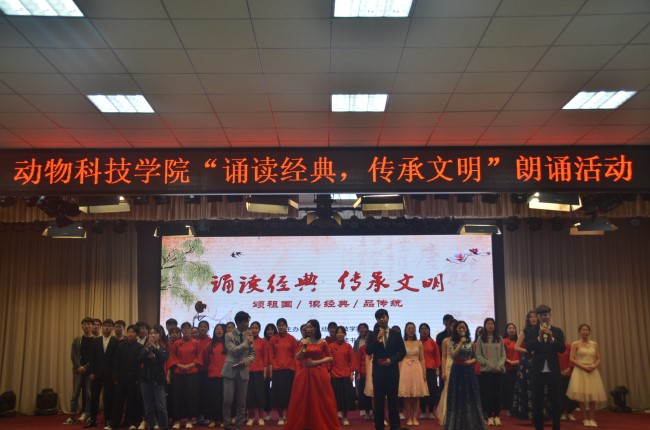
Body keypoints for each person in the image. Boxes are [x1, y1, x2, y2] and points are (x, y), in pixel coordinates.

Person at [285, 319, 340, 430]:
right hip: (304, 374)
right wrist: (304, 346)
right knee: (302, 399)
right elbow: (298, 357)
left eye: (310, 327)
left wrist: (316, 362)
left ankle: (319, 423)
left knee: (321, 399)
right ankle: (304, 423)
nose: (308, 329)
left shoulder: (322, 342)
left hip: (319, 373)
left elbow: (330, 357)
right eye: (307, 327)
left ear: (316, 328)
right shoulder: (303, 341)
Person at [525, 304, 565, 430]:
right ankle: (538, 427)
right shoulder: (532, 331)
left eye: (546, 315)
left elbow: (562, 349)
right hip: (537, 370)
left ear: (550, 315)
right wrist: (539, 338)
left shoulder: (557, 331)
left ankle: (556, 427)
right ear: (538, 317)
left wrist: (552, 338)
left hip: (553, 370)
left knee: (556, 400)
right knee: (537, 400)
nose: (544, 317)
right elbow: (528, 348)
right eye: (541, 315)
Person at [365, 309, 406, 430]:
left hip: (392, 372)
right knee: (379, 402)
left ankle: (395, 427)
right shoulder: (373, 334)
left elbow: (402, 352)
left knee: (393, 402)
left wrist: (392, 360)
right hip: (378, 373)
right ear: (377, 320)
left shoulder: (395, 334)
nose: (381, 319)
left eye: (383, 317)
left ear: (388, 317)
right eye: (379, 318)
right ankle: (379, 427)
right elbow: (368, 351)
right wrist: (377, 338)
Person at [443, 321, 486, 430]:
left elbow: (475, 357)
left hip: (469, 371)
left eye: (464, 328)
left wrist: (470, 362)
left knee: (470, 396)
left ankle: (472, 423)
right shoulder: (452, 342)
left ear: (466, 329)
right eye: (459, 328)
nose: (462, 329)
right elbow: (453, 355)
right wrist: (461, 343)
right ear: (456, 330)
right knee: (457, 396)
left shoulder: (470, 343)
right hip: (456, 371)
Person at [566, 324, 607, 428]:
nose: (585, 331)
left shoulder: (594, 344)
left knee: (593, 396)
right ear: (579, 332)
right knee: (581, 396)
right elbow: (572, 358)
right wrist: (583, 367)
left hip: (592, 370)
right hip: (580, 370)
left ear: (589, 332)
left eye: (587, 330)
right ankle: (585, 418)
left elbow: (598, 358)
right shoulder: (575, 343)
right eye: (583, 330)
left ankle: (592, 418)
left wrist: (594, 366)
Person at [222, 311, 256, 430]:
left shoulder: (249, 335)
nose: (247, 324)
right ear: (239, 323)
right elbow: (233, 351)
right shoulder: (229, 335)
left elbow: (253, 354)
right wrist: (246, 343)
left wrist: (246, 361)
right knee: (228, 401)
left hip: (243, 371)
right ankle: (227, 425)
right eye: (246, 322)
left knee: (241, 402)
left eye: (248, 321)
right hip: (230, 371)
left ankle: (239, 426)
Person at [86, 319, 119, 428]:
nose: (107, 328)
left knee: (108, 398)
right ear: (102, 327)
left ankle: (107, 420)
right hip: (96, 374)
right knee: (94, 398)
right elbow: (92, 359)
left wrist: (115, 375)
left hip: (110, 375)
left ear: (112, 328)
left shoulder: (116, 342)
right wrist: (91, 372)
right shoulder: (96, 341)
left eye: (109, 326)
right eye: (105, 326)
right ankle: (92, 420)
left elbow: (116, 361)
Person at [63, 317, 94, 425]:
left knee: (89, 394)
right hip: (77, 371)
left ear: (92, 326)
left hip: (89, 371)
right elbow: (73, 355)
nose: (87, 326)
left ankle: (88, 414)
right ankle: (72, 416)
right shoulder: (77, 340)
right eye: (84, 324)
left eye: (89, 324)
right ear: (81, 326)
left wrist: (85, 367)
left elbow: (95, 358)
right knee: (75, 394)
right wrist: (79, 366)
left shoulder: (96, 340)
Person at [171, 322, 201, 429]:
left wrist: (189, 366)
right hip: (179, 373)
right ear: (182, 331)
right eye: (184, 328)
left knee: (191, 397)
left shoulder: (196, 343)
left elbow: (199, 357)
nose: (186, 330)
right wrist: (180, 366)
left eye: (188, 328)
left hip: (192, 373)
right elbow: (173, 357)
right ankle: (177, 420)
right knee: (178, 397)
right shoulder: (176, 343)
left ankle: (189, 419)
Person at [112, 325, 143, 430]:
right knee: (118, 401)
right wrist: (115, 377)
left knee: (131, 401)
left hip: (133, 379)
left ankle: (131, 423)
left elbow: (139, 365)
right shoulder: (121, 345)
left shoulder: (139, 347)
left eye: (133, 332)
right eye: (129, 332)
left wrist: (138, 378)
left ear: (136, 334)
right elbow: (116, 362)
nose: (130, 334)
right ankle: (114, 423)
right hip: (120, 378)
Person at [476, 318, 506, 426]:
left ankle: (497, 416)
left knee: (497, 394)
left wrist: (499, 365)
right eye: (488, 324)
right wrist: (489, 364)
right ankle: (489, 416)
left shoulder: (499, 338)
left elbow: (503, 355)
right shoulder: (481, 338)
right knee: (487, 394)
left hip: (498, 371)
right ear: (485, 326)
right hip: (486, 371)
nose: (490, 326)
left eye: (492, 324)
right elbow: (478, 355)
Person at [139, 325, 169, 430]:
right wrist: (147, 349)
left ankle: (164, 427)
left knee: (161, 406)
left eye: (155, 333)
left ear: (159, 335)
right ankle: (152, 425)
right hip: (145, 380)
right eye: (151, 333)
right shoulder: (145, 347)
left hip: (158, 381)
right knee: (148, 407)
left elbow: (163, 359)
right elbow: (139, 359)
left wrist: (155, 349)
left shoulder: (164, 348)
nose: (152, 335)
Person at [269, 318, 298, 425]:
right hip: (277, 370)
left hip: (289, 370)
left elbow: (296, 356)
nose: (281, 327)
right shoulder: (273, 339)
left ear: (286, 326)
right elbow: (271, 356)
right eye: (279, 325)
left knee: (289, 395)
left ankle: (288, 416)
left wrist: (296, 370)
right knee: (278, 395)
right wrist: (271, 369)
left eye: (283, 325)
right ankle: (281, 417)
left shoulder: (292, 339)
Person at [399, 322, 428, 426]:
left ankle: (415, 417)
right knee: (407, 396)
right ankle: (409, 417)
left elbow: (422, 358)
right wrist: (399, 372)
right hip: (405, 369)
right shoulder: (402, 343)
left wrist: (424, 372)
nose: (411, 330)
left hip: (417, 368)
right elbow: (399, 359)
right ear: (405, 330)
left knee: (416, 395)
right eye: (409, 328)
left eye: (413, 328)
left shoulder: (419, 343)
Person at [329, 326, 357, 426]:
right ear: (335, 334)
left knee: (346, 398)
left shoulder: (348, 346)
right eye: (338, 332)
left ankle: (345, 417)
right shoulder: (331, 346)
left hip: (346, 375)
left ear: (345, 334)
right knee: (335, 398)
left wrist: (351, 373)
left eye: (342, 332)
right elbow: (328, 361)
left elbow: (353, 361)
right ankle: (336, 416)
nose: (340, 334)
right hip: (334, 375)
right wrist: (329, 373)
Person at [245, 321, 270, 426]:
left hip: (259, 371)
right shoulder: (245, 341)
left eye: (256, 328)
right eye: (252, 328)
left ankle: (260, 417)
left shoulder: (263, 342)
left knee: (260, 395)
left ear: (259, 330)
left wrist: (265, 372)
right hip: (247, 372)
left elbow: (265, 358)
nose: (254, 330)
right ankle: (251, 417)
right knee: (249, 396)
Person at [204, 324, 227, 428]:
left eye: (221, 329)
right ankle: (213, 419)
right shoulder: (210, 344)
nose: (219, 331)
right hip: (212, 374)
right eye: (217, 329)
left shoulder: (228, 344)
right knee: (213, 398)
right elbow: (205, 359)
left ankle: (222, 419)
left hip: (224, 375)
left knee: (223, 399)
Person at [436, 319, 456, 426]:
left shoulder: (464, 340)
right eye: (452, 326)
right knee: (448, 389)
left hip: (460, 366)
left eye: (456, 326)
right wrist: (443, 371)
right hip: (448, 366)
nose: (454, 328)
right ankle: (447, 415)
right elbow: (443, 357)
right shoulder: (445, 340)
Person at [418, 323, 440, 421]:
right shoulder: (417, 343)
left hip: (431, 369)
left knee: (432, 391)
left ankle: (431, 411)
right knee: (421, 391)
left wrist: (437, 369)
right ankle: (423, 412)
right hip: (419, 370)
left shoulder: (433, 343)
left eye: (426, 329)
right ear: (419, 331)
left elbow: (437, 357)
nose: (424, 331)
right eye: (422, 329)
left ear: (429, 330)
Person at [502, 323, 520, 413]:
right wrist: (509, 361)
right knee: (509, 390)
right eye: (509, 328)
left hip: (519, 368)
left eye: (513, 328)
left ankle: (517, 408)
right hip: (507, 368)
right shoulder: (503, 341)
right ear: (506, 330)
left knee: (518, 389)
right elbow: (501, 354)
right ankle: (510, 408)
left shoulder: (519, 341)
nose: (512, 329)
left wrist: (516, 362)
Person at [558, 341, 577, 422]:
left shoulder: (569, 346)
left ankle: (570, 412)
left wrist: (569, 368)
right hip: (557, 373)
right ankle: (561, 412)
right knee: (560, 393)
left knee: (569, 393)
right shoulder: (552, 346)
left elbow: (572, 358)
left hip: (568, 372)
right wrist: (559, 370)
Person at [262, 323, 277, 422]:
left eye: (272, 329)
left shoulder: (277, 341)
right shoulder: (263, 342)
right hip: (264, 370)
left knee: (275, 392)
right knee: (266, 391)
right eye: (268, 330)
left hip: (276, 369)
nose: (270, 331)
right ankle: (267, 412)